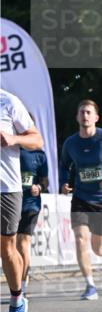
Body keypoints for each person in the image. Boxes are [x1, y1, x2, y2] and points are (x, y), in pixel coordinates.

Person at [59, 100, 102, 301]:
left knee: (98, 247)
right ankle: (90, 285)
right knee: (81, 239)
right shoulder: (71, 143)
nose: (85, 115)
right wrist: (64, 183)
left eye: (89, 112)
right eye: (81, 112)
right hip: (81, 197)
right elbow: (64, 166)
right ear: (77, 117)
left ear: (96, 117)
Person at [1, 89, 44, 312]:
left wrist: (14, 139)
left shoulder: (9, 101)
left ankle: (17, 302)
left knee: (7, 249)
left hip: (6, 187)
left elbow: (37, 140)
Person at [17, 121, 49, 300]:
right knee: (9, 248)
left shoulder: (39, 154)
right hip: (9, 203)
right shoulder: (8, 150)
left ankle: (21, 287)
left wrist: (39, 186)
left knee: (23, 244)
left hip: (30, 203)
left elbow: (46, 181)